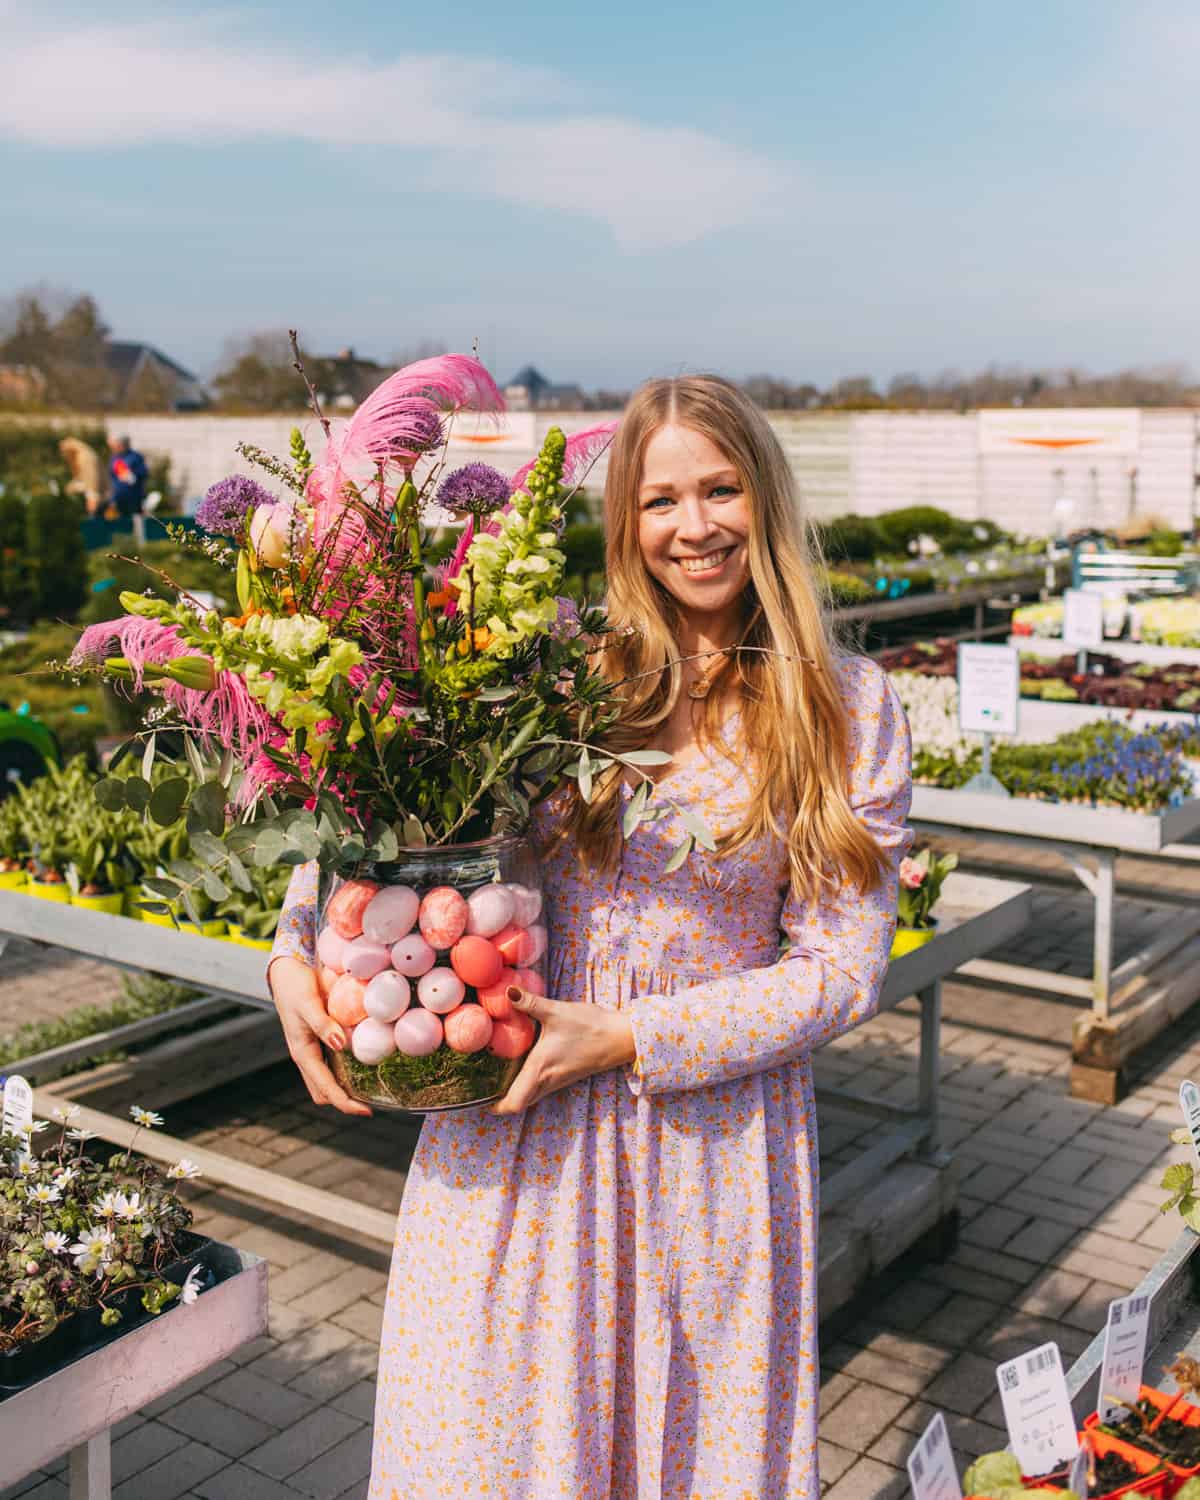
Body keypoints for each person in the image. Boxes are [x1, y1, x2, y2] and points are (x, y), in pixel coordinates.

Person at [268, 375, 913, 1499]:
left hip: (709, 1153)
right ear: (626, 523)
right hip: (514, 1144)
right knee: (485, 1455)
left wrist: (626, 1035)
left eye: (721, 490)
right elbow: (385, 822)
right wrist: (286, 950)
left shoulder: (845, 705)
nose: (695, 525)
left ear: (765, 496)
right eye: (661, 500)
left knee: (683, 1457)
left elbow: (840, 969)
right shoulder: (555, 672)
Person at [106, 434, 148, 517]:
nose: (115, 448)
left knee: (135, 521)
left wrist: (133, 477)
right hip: (117, 497)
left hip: (134, 497)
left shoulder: (135, 457)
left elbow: (143, 473)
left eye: (118, 445)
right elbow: (111, 475)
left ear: (124, 445)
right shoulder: (114, 458)